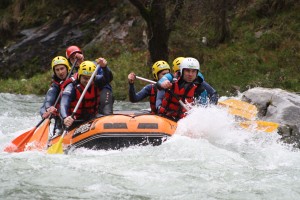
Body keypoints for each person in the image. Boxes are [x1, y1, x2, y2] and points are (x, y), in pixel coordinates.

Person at [60, 60, 112, 129]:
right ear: (79, 76)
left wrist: (105, 67)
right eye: (85, 78)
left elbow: (108, 78)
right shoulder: (71, 87)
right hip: (74, 121)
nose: (88, 81)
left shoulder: (96, 81)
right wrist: (65, 117)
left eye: (90, 78)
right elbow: (63, 104)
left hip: (91, 118)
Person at [65, 45, 114, 115]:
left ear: (82, 56)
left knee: (106, 112)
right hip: (90, 96)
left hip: (103, 91)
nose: (76, 61)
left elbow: (109, 78)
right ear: (69, 61)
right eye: (72, 59)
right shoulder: (73, 74)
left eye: (76, 57)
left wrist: (104, 67)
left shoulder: (95, 65)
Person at [156, 57, 208, 121]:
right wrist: (163, 84)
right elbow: (159, 84)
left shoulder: (200, 89)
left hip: (183, 122)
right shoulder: (171, 77)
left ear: (197, 73)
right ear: (182, 71)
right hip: (165, 117)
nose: (190, 74)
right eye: (187, 71)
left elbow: (203, 112)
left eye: (193, 71)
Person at [40, 56, 71, 135]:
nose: (60, 72)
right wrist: (48, 109)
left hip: (75, 115)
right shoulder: (54, 86)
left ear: (67, 68)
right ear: (54, 72)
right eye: (57, 70)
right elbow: (48, 101)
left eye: (62, 68)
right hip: (61, 120)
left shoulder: (76, 79)